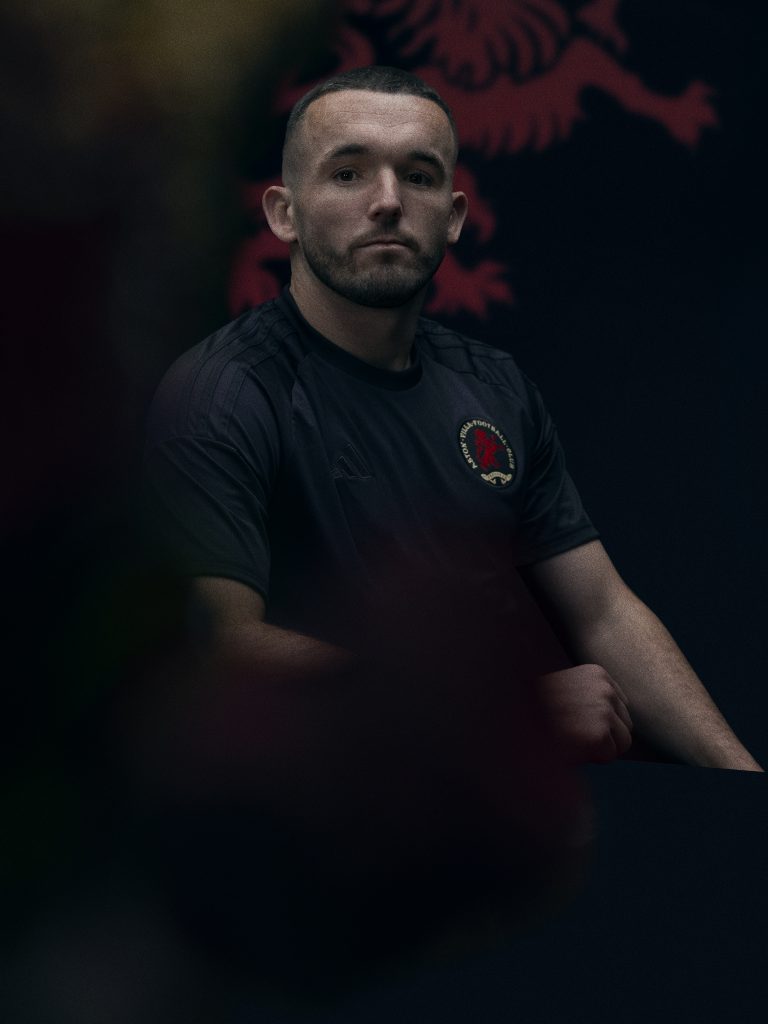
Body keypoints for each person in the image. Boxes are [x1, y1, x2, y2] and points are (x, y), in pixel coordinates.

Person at [143, 64, 761, 782]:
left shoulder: (494, 385)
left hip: (500, 805)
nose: (387, 202)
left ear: (455, 215)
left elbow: (602, 612)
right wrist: (504, 711)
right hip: (321, 804)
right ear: (284, 214)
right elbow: (217, 646)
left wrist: (745, 786)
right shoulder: (222, 392)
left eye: (419, 176)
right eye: (347, 174)